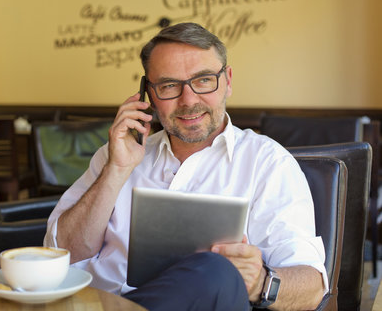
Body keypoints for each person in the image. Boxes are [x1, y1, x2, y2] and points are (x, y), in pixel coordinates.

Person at [44, 22, 327, 310]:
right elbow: (60, 256)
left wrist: (260, 282)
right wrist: (116, 170)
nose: (189, 100)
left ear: (227, 80)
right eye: (169, 86)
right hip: (92, 303)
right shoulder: (114, 157)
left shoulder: (267, 163)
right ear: (149, 95)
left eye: (204, 80)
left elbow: (312, 287)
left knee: (217, 272)